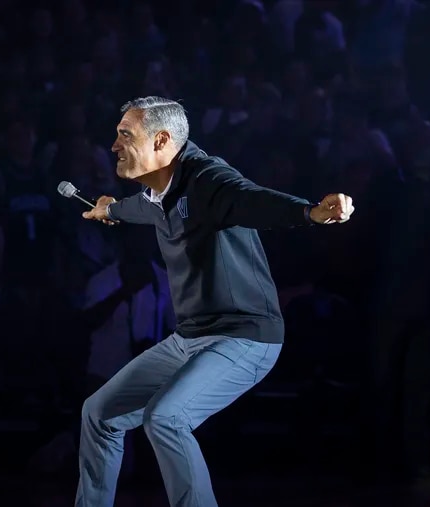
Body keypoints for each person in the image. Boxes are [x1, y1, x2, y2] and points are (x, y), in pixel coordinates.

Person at [76, 96, 354, 507]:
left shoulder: (208, 180)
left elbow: (252, 199)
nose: (114, 146)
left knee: (166, 418)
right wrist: (109, 209)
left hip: (244, 338)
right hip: (188, 340)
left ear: (161, 140)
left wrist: (311, 213)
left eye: (124, 135)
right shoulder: (155, 193)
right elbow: (138, 208)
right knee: (98, 414)